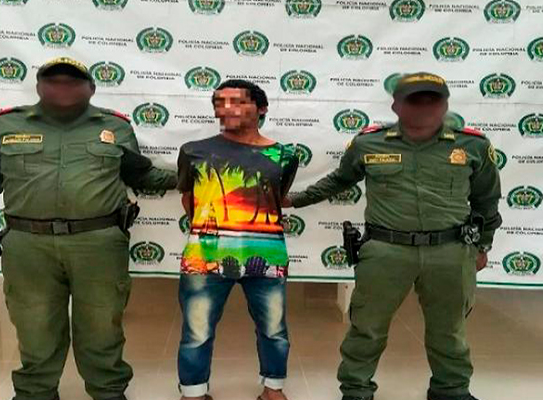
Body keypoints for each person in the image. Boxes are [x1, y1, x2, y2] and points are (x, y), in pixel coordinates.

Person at [0, 57, 177, 400]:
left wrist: (192, 174)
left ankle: (108, 391)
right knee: (34, 325)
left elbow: (140, 175)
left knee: (102, 325)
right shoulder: (3, 127)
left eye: (72, 81)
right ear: (39, 86)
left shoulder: (115, 127)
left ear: (91, 88)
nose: (62, 87)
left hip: (98, 244)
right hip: (29, 246)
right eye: (53, 80)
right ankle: (35, 393)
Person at [284, 72, 502, 400]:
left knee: (450, 330)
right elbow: (339, 180)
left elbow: (487, 200)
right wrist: (294, 200)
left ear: (444, 105)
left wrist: (483, 245)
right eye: (414, 99)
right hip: (385, 252)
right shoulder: (368, 143)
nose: (424, 107)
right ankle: (356, 390)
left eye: (432, 99)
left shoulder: (473, 145)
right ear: (396, 105)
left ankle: (451, 390)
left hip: (450, 252)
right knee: (367, 328)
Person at [176, 80, 299, 400]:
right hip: (205, 256)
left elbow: (276, 197)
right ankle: (193, 392)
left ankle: (273, 389)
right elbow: (190, 200)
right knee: (197, 331)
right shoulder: (193, 151)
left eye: (238, 101)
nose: (227, 109)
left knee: (274, 329)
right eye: (220, 103)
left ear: (261, 108)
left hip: (267, 258)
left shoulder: (284, 155)